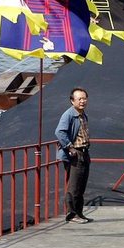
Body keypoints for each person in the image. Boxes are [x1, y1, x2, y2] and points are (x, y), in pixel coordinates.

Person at [56, 87, 92, 223]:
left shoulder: (82, 114)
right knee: (74, 185)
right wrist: (69, 147)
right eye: (79, 99)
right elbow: (60, 132)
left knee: (81, 185)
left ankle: (79, 212)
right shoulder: (69, 115)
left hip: (84, 152)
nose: (82, 101)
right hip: (74, 154)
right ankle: (71, 214)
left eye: (84, 98)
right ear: (72, 101)